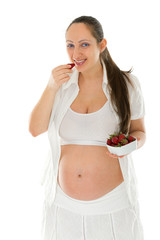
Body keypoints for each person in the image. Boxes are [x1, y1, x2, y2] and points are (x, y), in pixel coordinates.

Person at [29, 15, 146, 240]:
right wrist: (51, 87)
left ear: (101, 45)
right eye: (70, 45)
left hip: (113, 203)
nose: (76, 54)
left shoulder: (127, 85)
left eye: (84, 44)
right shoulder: (61, 84)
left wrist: (132, 144)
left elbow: (139, 131)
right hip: (63, 205)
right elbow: (35, 129)